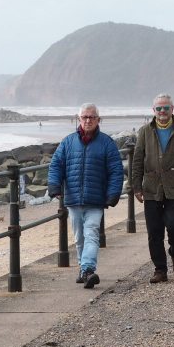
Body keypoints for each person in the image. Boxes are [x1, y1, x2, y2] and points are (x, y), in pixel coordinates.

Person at [47, 103, 124, 289]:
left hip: (96, 199)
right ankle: (83, 270)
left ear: (98, 119)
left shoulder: (106, 143)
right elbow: (56, 164)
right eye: (85, 117)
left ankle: (88, 268)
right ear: (79, 119)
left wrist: (113, 193)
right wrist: (54, 186)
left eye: (92, 117)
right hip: (73, 199)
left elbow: (116, 170)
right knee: (79, 237)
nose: (88, 120)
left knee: (91, 233)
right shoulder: (68, 142)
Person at [130, 93, 174, 283]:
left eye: (165, 108)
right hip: (151, 188)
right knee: (154, 232)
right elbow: (137, 160)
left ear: (172, 110)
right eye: (158, 108)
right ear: (153, 111)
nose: (162, 111)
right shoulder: (144, 131)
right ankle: (160, 269)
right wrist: (136, 186)